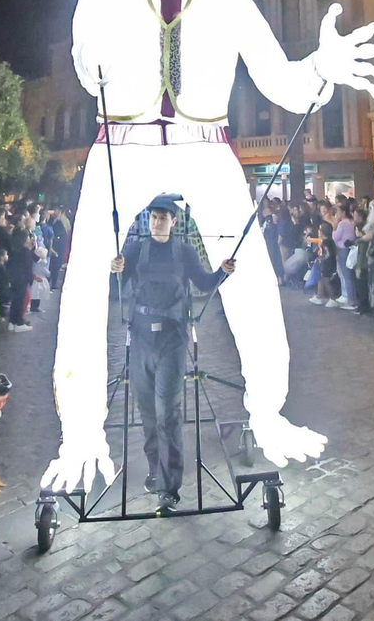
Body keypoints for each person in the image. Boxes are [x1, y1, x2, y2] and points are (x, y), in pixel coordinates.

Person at [108, 195, 234, 513]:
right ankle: (155, 468)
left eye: (163, 217)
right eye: (153, 217)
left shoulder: (184, 251)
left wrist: (222, 272)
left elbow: (204, 284)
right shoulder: (136, 249)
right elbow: (117, 289)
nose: (157, 222)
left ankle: (169, 485)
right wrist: (115, 271)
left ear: (174, 221)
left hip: (173, 339)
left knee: (168, 411)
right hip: (140, 338)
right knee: (148, 412)